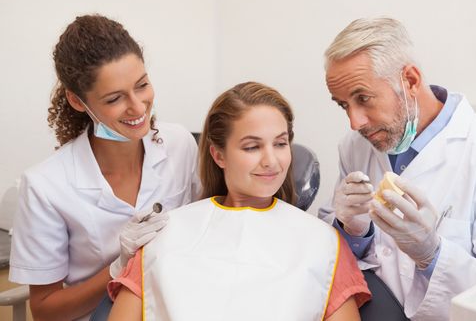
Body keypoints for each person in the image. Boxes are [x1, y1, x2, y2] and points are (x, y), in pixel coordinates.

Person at [107, 82, 371, 320]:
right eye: (252, 147)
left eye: (280, 143)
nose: (271, 160)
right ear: (219, 156)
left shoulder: (323, 243)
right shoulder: (164, 235)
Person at [318, 17, 476, 321]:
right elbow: (334, 256)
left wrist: (432, 254)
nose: (355, 122)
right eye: (343, 105)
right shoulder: (355, 146)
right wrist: (350, 231)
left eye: (363, 98)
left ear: (410, 80)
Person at [9, 14, 200, 320]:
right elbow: (45, 310)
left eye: (142, 85)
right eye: (114, 99)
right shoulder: (46, 185)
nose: (138, 107)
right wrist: (117, 267)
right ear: (77, 101)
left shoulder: (179, 144)